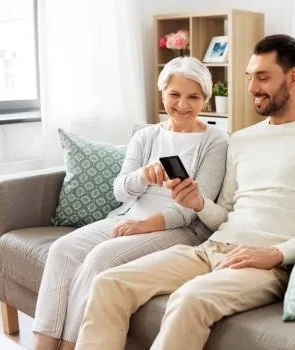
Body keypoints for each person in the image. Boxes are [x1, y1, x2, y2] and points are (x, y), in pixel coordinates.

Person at [75, 34, 295, 350]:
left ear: (293, 78)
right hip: (213, 247)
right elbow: (225, 211)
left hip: (268, 264)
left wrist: (275, 254)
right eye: (250, 77)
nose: (251, 88)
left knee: (188, 299)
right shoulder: (243, 140)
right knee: (110, 283)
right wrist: (197, 202)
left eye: (263, 77)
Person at [32, 56, 229, 350]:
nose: (183, 105)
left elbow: (191, 209)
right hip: (128, 215)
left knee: (101, 258)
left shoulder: (216, 141)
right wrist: (142, 176)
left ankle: (72, 344)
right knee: (62, 250)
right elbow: (120, 191)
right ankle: (43, 345)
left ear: (205, 99)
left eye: (194, 97)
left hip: (177, 227)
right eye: (175, 94)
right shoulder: (145, 136)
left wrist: (144, 225)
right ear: (163, 93)